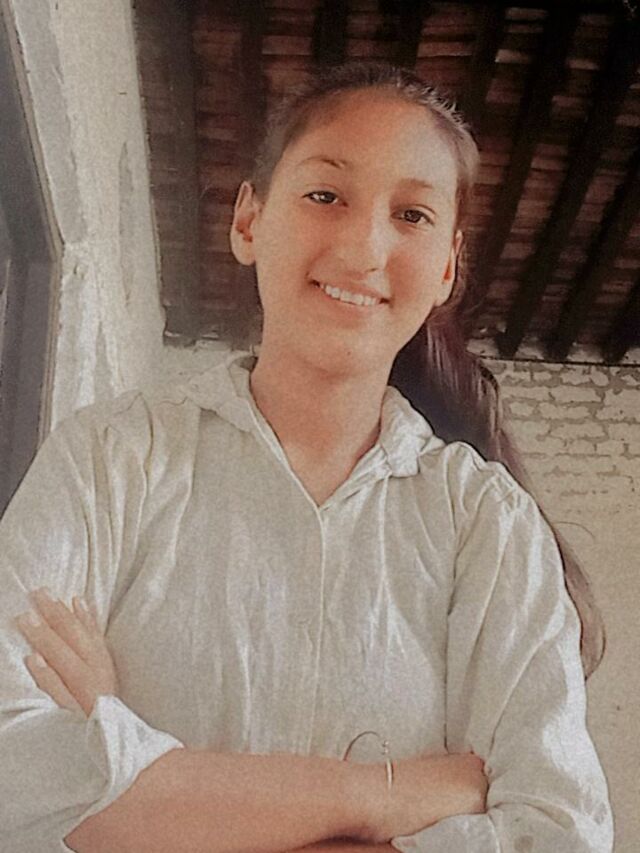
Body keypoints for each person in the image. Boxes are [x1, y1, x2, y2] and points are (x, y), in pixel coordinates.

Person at [0, 62, 613, 852]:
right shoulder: (110, 458)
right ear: (249, 221)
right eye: (326, 195)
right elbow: (10, 767)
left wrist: (148, 784)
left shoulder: (488, 526)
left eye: (412, 214)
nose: (364, 246)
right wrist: (385, 794)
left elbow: (558, 833)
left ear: (447, 267)